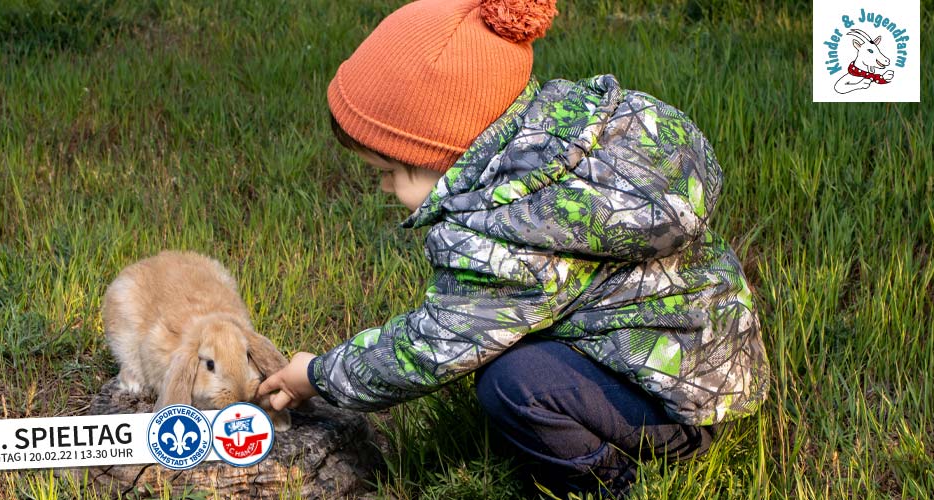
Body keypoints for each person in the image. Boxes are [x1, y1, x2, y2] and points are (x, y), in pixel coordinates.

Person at [258, 0, 770, 496]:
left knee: (510, 380)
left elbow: (434, 344)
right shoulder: (571, 137)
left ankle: (602, 484)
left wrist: (321, 375)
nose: (386, 190)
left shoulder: (506, 229)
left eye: (391, 172)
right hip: (712, 364)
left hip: (668, 411)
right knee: (504, 344)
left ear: (450, 153)